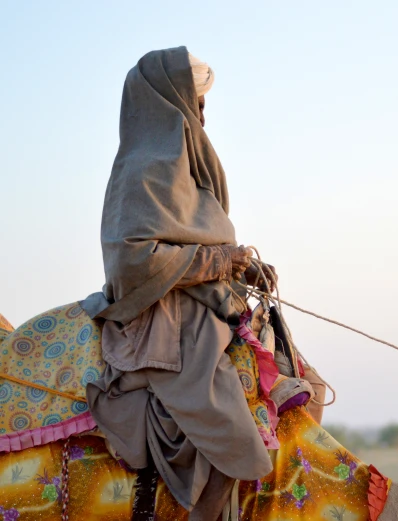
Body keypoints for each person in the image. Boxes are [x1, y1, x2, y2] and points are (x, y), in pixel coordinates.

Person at [81, 47, 277, 519]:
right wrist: (219, 260)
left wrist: (242, 267)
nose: (204, 117)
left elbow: (193, 238)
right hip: (162, 315)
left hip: (202, 300)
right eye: (198, 104)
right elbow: (132, 263)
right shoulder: (142, 169)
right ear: (170, 103)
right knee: (231, 427)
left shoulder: (186, 163)